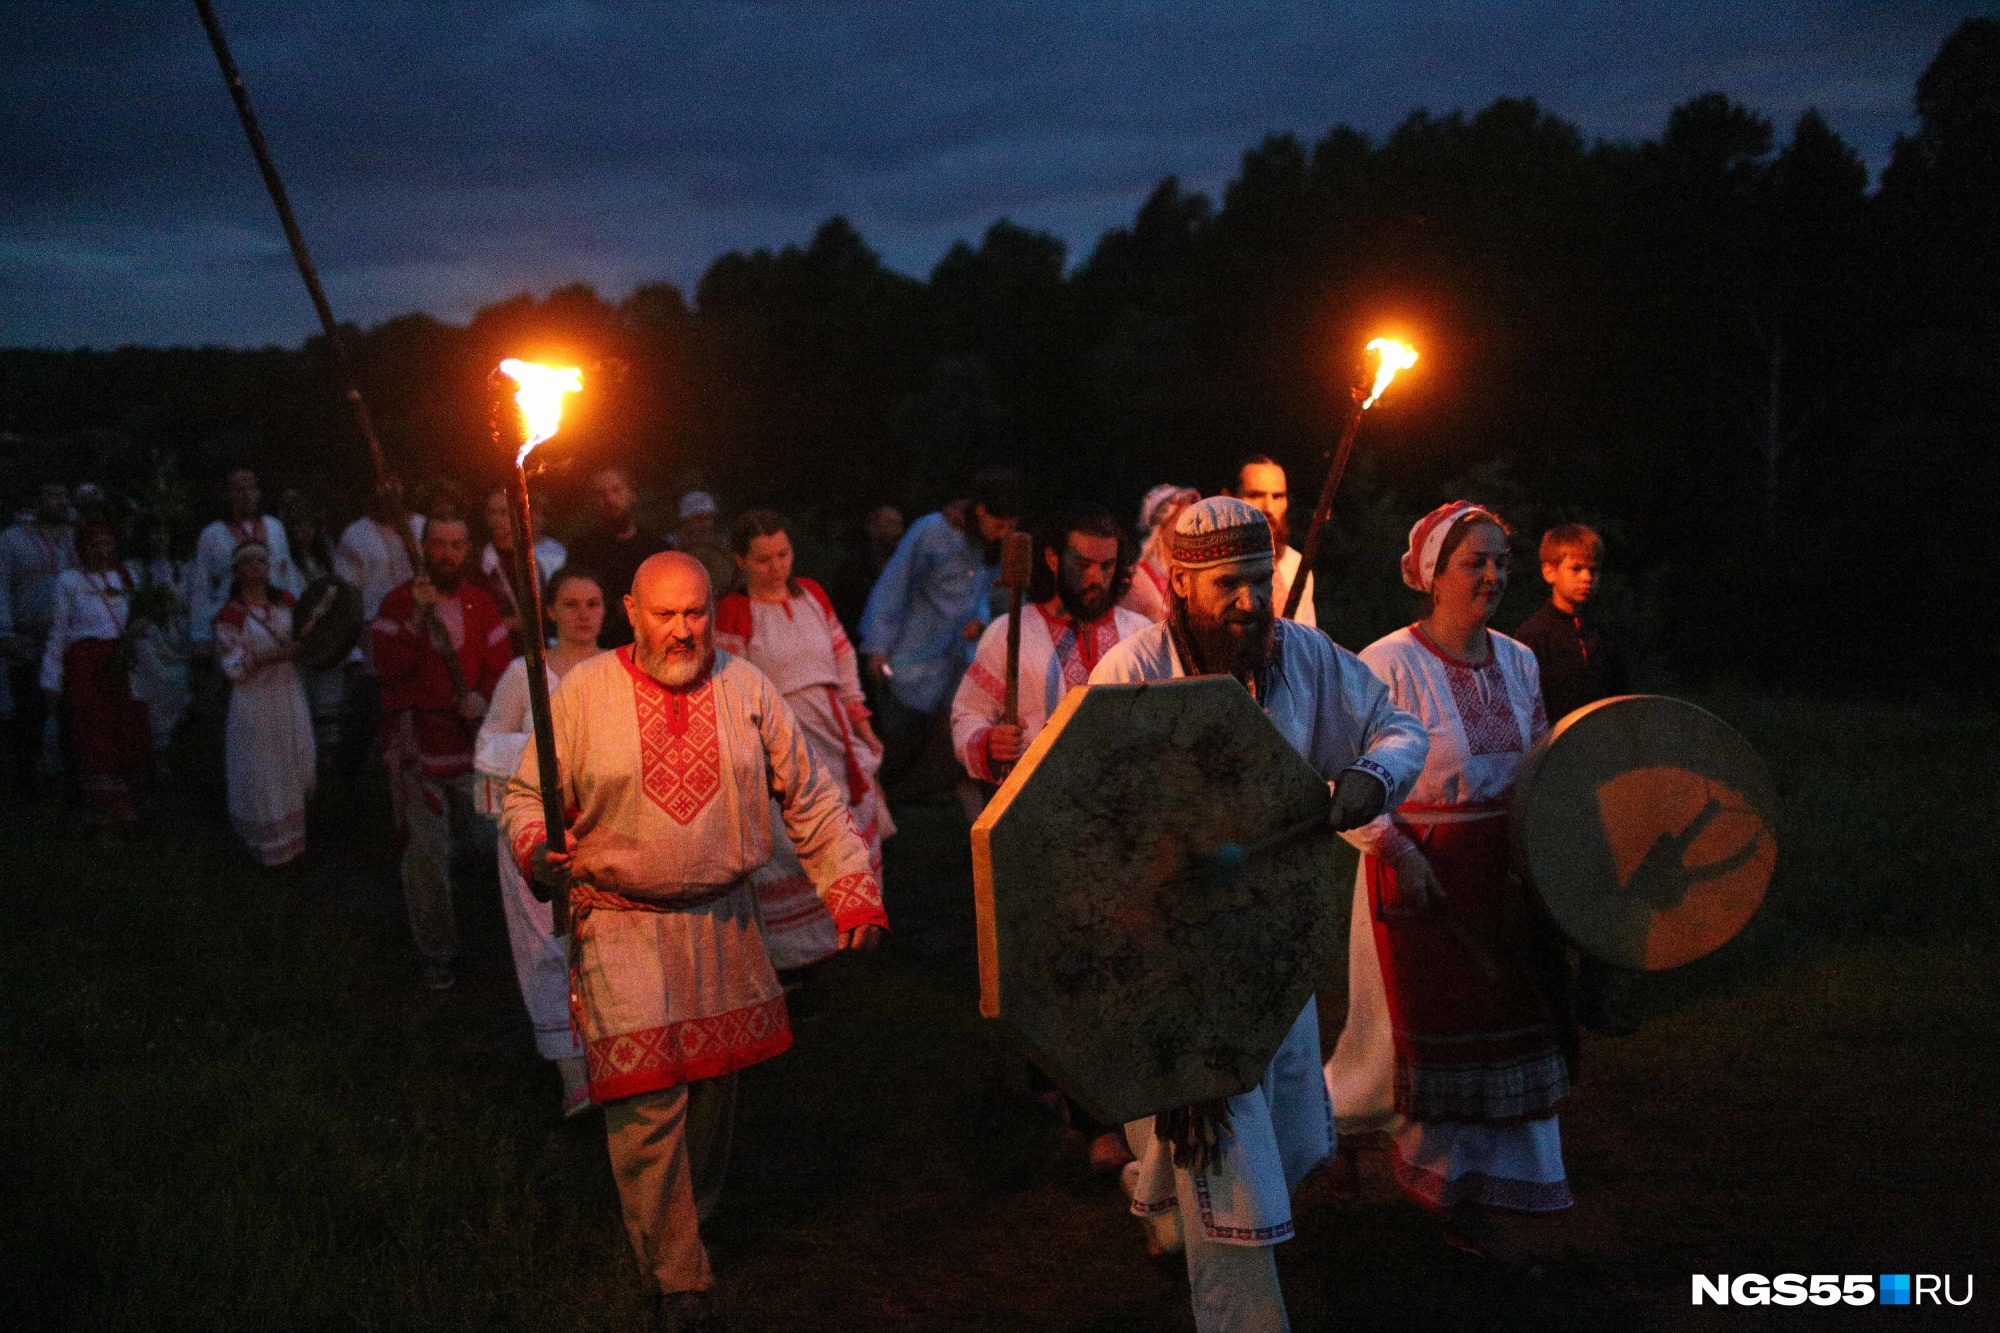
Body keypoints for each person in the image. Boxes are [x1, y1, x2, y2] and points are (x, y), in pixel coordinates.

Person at [502, 552, 889, 1331]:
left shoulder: (746, 688)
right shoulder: (581, 694)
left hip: (725, 922)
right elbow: (524, 797)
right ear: (631, 611)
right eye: (665, 613)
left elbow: (810, 795)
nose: (683, 630)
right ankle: (678, 1275)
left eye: (696, 613)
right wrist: (538, 844)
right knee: (646, 1103)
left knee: (712, 1093)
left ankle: (686, 1218)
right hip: (620, 920)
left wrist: (850, 889)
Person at [1088, 497, 1428, 1333]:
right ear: (1180, 585)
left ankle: (1161, 1201)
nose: (1249, 600)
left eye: (1259, 580)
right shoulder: (1129, 674)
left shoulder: (1305, 657)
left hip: (1274, 944)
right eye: (1228, 584)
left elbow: (1397, 725)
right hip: (1170, 953)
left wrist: (1371, 779)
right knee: (1222, 1132)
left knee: (1282, 1130)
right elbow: (1089, 808)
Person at [1326, 502, 1573, 1260]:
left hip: (1499, 877)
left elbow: (1538, 765)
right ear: (1432, 574)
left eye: (1502, 559)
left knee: (1505, 1034)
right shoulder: (1384, 663)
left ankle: (1477, 1186)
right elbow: (1346, 783)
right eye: (1475, 560)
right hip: (1417, 876)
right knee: (1408, 1044)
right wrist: (1398, 851)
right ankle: (1394, 1159)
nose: (1494, 574)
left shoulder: (1521, 659)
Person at [715, 510, 895, 984]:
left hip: (831, 730)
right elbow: (728, 687)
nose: (776, 566)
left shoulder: (812, 594)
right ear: (741, 560)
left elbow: (843, 658)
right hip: (780, 742)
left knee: (846, 824)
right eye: (763, 558)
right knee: (792, 838)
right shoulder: (735, 611)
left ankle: (852, 928)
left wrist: (861, 722)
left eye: (783, 554)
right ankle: (797, 957)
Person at [475, 567, 603, 1116]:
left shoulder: (617, 670)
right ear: (549, 611)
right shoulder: (523, 673)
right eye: (570, 604)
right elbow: (488, 746)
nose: (582, 614)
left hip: (603, 828)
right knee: (549, 945)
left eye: (593, 603)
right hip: (541, 830)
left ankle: (613, 1057)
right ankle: (571, 1072)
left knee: (603, 945)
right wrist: (548, 755)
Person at [371, 505, 514, 990]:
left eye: (457, 545)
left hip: (472, 747)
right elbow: (387, 669)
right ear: (423, 547)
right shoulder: (396, 604)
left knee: (494, 846)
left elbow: (501, 668)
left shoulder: (482, 603)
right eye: (439, 544)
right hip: (419, 750)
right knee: (425, 856)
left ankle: (503, 942)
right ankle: (438, 954)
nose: (448, 554)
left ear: (467, 549)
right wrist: (415, 618)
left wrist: (484, 698)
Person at [1512, 522, 1638, 1035]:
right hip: (1551, 781)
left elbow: (1622, 706)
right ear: (1549, 571)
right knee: (1551, 891)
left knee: (1607, 886)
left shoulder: (1602, 638)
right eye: (1575, 568)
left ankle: (1592, 1000)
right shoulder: (1529, 640)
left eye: (1593, 570)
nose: (1586, 579)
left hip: (1601, 779)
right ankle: (1550, 1003)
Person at [859, 468, 1021, 802]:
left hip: (955, 658)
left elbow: (979, 592)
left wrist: (979, 619)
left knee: (942, 740)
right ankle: (873, 807)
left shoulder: (986, 547)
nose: (1003, 534)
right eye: (999, 524)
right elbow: (895, 584)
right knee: (898, 741)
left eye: (1010, 527)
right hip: (911, 655)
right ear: (980, 512)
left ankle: (923, 800)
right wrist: (877, 646)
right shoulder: (932, 531)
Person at [40, 519, 149, 825]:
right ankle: (99, 803)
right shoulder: (68, 581)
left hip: (120, 661)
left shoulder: (124, 576)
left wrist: (137, 630)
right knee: (94, 729)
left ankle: (125, 798)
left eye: (106, 544)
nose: (101, 551)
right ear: (82, 548)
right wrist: (51, 677)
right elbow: (59, 630)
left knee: (123, 724)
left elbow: (135, 616)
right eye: (94, 544)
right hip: (87, 663)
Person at [214, 541, 316, 867]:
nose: (259, 567)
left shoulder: (286, 603)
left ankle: (293, 841)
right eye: (251, 562)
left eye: (263, 561)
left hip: (286, 693)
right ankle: (266, 845)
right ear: (239, 571)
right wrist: (277, 655)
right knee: (261, 768)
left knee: (290, 758)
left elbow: (308, 633)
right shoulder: (230, 615)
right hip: (254, 700)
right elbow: (233, 665)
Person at [0, 480, 76, 796]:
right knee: (30, 708)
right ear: (37, 501)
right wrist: (4, 631)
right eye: (51, 495)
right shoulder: (13, 539)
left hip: (70, 636)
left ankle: (70, 774)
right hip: (28, 635)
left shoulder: (74, 538)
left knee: (70, 707)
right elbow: (1, 585)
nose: (58, 501)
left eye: (62, 494)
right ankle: (27, 779)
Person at [190, 469, 303, 653]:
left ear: (258, 492)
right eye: (239, 490)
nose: (246, 495)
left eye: (251, 489)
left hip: (276, 620)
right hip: (233, 622)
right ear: (228, 495)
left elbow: (288, 576)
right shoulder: (211, 534)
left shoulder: (275, 527)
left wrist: (298, 617)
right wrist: (200, 634)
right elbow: (201, 587)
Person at [568, 467, 669, 649]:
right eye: (601, 494)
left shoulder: (657, 548)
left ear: (632, 494)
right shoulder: (582, 551)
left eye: (616, 490)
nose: (610, 499)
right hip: (602, 648)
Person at [125, 520, 191, 756]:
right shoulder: (134, 568)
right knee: (154, 692)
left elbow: (189, 599)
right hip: (150, 637)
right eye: (155, 534)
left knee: (178, 688)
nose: (160, 540)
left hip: (178, 635)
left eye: (165, 534)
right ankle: (154, 749)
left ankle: (175, 747)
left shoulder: (184, 567)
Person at [1225, 456, 1316, 628]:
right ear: (1228, 498)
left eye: (1278, 496)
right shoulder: (1208, 567)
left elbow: (1305, 641)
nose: (1268, 508)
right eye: (1255, 495)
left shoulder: (1296, 565)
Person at [479, 485, 566, 654]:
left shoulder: (532, 560)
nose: (497, 520)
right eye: (492, 513)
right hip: (498, 650)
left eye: (503, 513)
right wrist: (507, 623)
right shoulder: (482, 563)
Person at [1119, 484, 1197, 623]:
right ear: (1161, 526)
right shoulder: (1137, 580)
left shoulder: (1195, 574)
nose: (1192, 530)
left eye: (1196, 522)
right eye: (1183, 521)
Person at [672, 491, 737, 602]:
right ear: (686, 520)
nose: (705, 523)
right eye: (699, 518)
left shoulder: (725, 544)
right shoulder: (672, 546)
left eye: (709, 517)